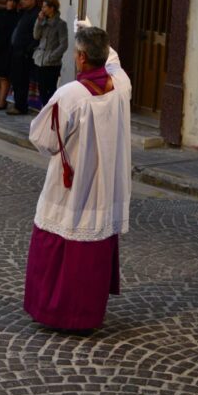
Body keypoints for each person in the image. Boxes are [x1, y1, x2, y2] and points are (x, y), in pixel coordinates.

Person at [24, 22, 132, 333]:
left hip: (73, 186)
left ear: (81, 58)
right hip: (105, 184)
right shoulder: (121, 85)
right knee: (92, 250)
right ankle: (86, 315)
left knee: (60, 246)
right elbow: (114, 60)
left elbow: (43, 139)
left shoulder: (71, 94)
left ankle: (55, 311)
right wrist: (89, 28)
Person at [7, 0, 40, 115]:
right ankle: (17, 103)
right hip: (16, 51)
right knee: (16, 79)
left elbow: (36, 36)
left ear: (33, 0)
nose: (23, 1)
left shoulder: (36, 14)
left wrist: (28, 51)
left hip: (24, 54)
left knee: (22, 81)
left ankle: (21, 106)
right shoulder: (25, 13)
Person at [33, 0, 69, 106]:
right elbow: (36, 36)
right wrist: (38, 21)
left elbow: (64, 44)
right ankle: (44, 111)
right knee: (41, 88)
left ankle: (51, 112)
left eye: (44, 7)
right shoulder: (43, 21)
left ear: (52, 8)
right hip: (40, 60)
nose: (42, 9)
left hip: (52, 63)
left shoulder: (60, 24)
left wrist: (51, 57)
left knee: (50, 89)